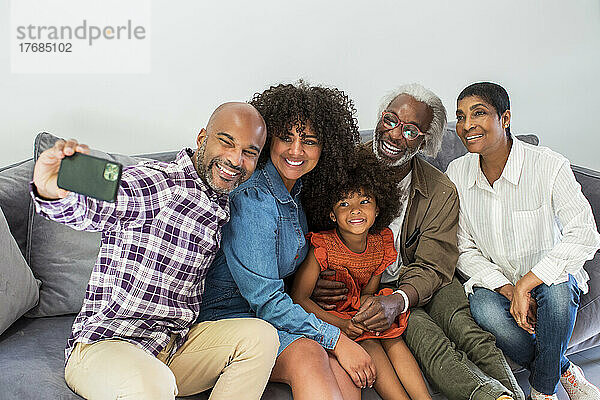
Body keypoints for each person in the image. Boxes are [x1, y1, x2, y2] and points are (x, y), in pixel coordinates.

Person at [30, 102, 279, 400]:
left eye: (249, 152)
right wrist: (51, 191)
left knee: (261, 337)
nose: (235, 159)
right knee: (153, 382)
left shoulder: (221, 200)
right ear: (202, 139)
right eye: (226, 142)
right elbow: (96, 207)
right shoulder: (158, 182)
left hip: (172, 349)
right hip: (106, 348)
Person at [312, 83, 525, 400]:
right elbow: (317, 238)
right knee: (427, 338)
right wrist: (317, 280)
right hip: (371, 288)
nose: (395, 135)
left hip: (423, 281)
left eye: (411, 131)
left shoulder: (439, 188)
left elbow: (434, 264)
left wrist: (399, 299)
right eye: (390, 121)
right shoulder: (342, 170)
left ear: (426, 142)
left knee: (468, 330)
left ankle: (515, 395)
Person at [197, 82, 375, 400]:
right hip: (227, 320)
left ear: (324, 148)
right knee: (310, 353)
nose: (296, 151)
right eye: (286, 138)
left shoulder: (298, 189)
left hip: (267, 315)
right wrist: (337, 338)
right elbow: (265, 300)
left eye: (309, 141)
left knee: (345, 373)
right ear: (269, 141)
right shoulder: (253, 198)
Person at [446, 82, 600, 400]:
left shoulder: (547, 165)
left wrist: (527, 283)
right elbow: (462, 246)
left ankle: (542, 391)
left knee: (557, 301)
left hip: (550, 273)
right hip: (495, 279)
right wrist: (507, 287)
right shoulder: (457, 173)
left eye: (479, 113)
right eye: (461, 117)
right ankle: (564, 370)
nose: (466, 125)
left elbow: (584, 233)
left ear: (505, 118)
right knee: (487, 316)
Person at [291, 147, 431, 400]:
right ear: (331, 214)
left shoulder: (381, 243)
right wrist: (344, 324)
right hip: (331, 317)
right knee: (370, 343)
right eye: (344, 204)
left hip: (357, 312)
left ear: (378, 208)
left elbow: (368, 292)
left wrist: (370, 309)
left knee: (392, 337)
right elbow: (299, 299)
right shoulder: (322, 247)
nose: (355, 210)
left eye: (364, 201)